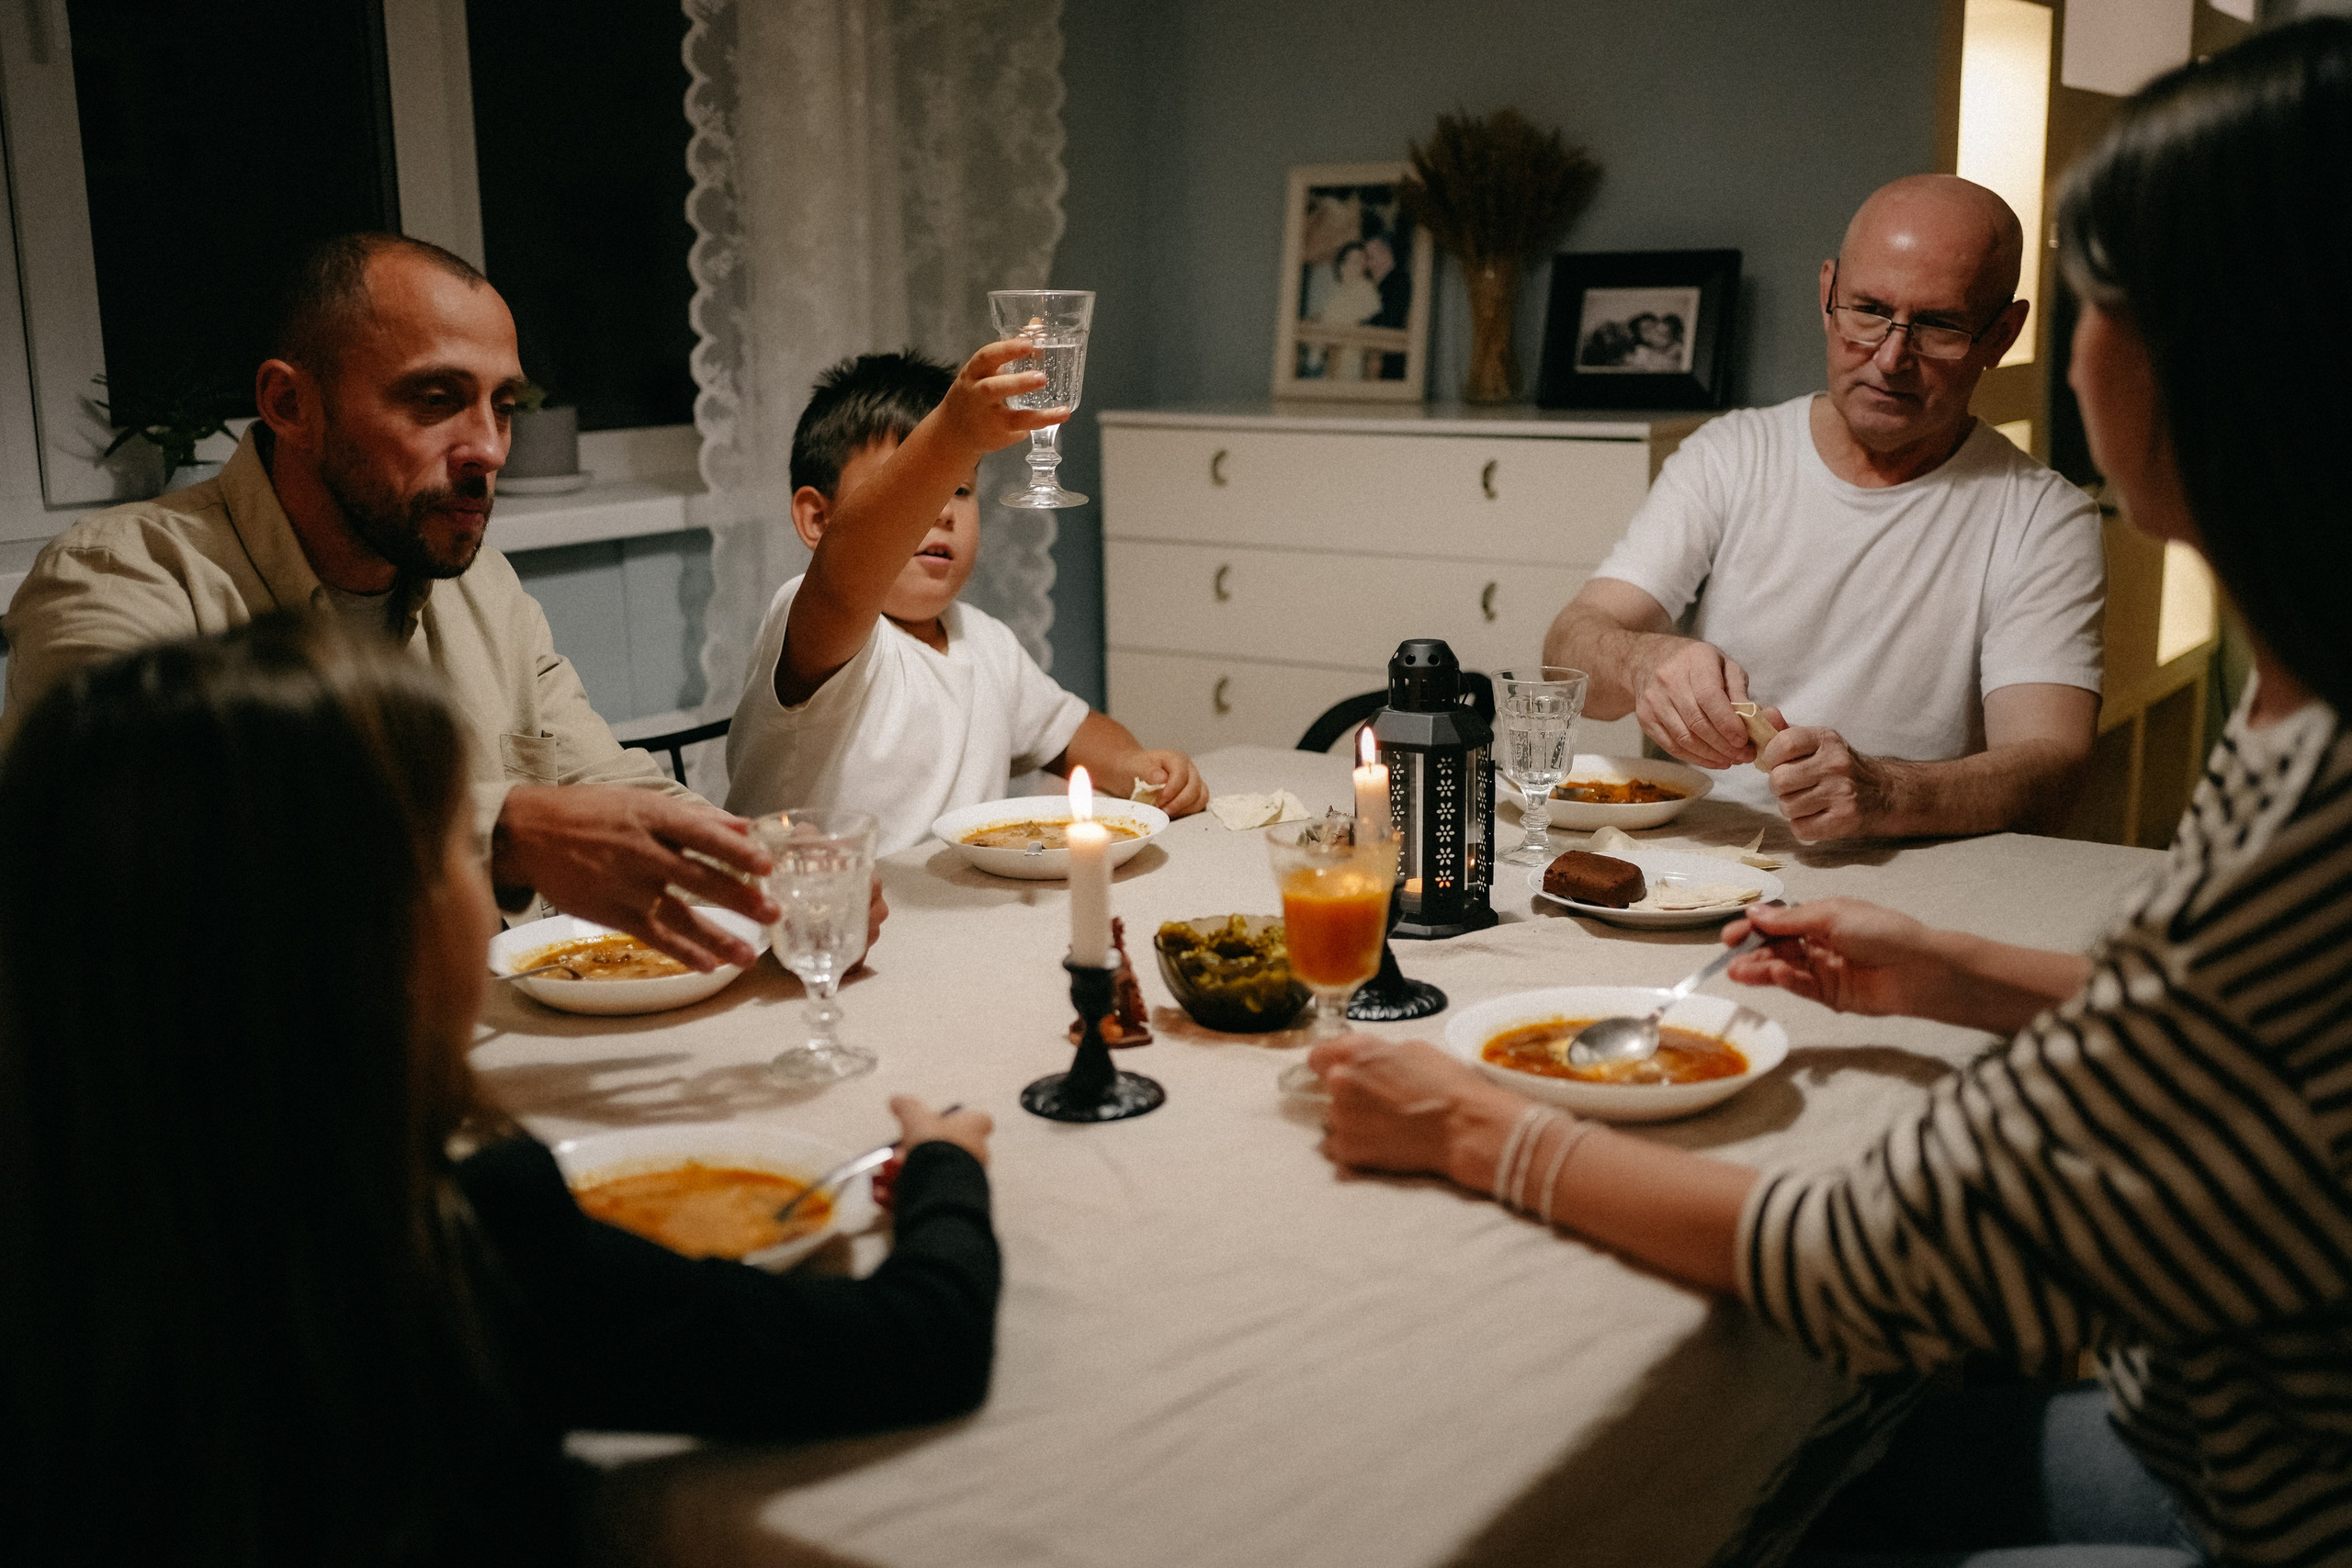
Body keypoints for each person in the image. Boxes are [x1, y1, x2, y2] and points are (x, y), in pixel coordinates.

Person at [1310, 22, 2352, 1564]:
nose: (2067, 349)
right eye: (1870, 309)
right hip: (2207, 1419)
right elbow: (2217, 1016)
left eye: (2094, 301)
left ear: (2209, 357)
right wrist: (1949, 965)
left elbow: (1890, 1254)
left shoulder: (2295, 775)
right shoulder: (2295, 711)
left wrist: (1481, 1132)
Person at [0, 614, 1001, 1567]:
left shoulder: (72, 1251)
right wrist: (946, 1170)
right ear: (375, 934)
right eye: (456, 846)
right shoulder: (453, 1249)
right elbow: (911, 1347)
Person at [0, 231, 820, 975]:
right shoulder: (119, 575)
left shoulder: (482, 584)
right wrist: (503, 830)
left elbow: (603, 785)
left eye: (502, 405)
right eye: (434, 399)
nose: (489, 450)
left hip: (470, 1058)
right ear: (291, 405)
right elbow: (131, 846)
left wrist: (772, 867)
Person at [1545, 175, 2105, 842]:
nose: (1891, 357)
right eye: (1868, 309)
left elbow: (2052, 772)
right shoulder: (1730, 455)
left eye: (1938, 325)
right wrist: (1642, 665)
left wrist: (1889, 791)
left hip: (1920, 872)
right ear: (1827, 294)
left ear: (2001, 335)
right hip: (1702, 863)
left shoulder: (2046, 520)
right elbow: (1566, 652)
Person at [725, 349, 1207, 854]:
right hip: (803, 922)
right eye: (910, 491)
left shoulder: (984, 640)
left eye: (958, 487)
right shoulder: (813, 620)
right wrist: (949, 438)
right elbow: (844, 578)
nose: (941, 511)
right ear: (819, 521)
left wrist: (1134, 767)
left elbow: (1072, 732)